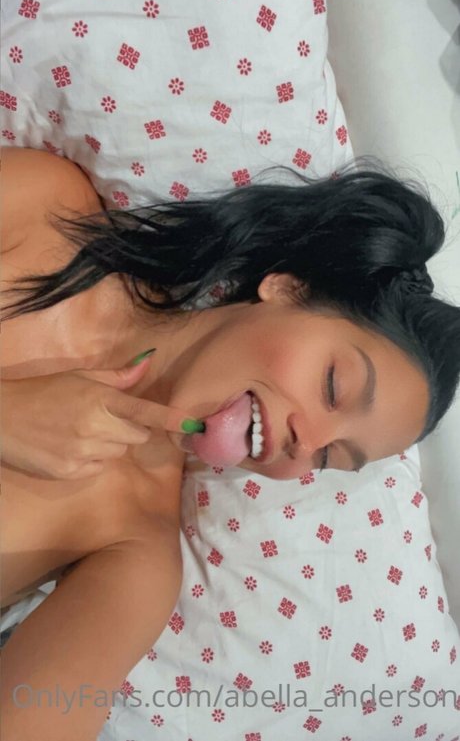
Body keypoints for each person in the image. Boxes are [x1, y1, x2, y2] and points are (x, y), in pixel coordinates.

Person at [1, 147, 459, 740]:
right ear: (287, 288)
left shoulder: (133, 554)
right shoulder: (46, 209)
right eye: (333, 385)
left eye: (330, 458)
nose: (307, 443)